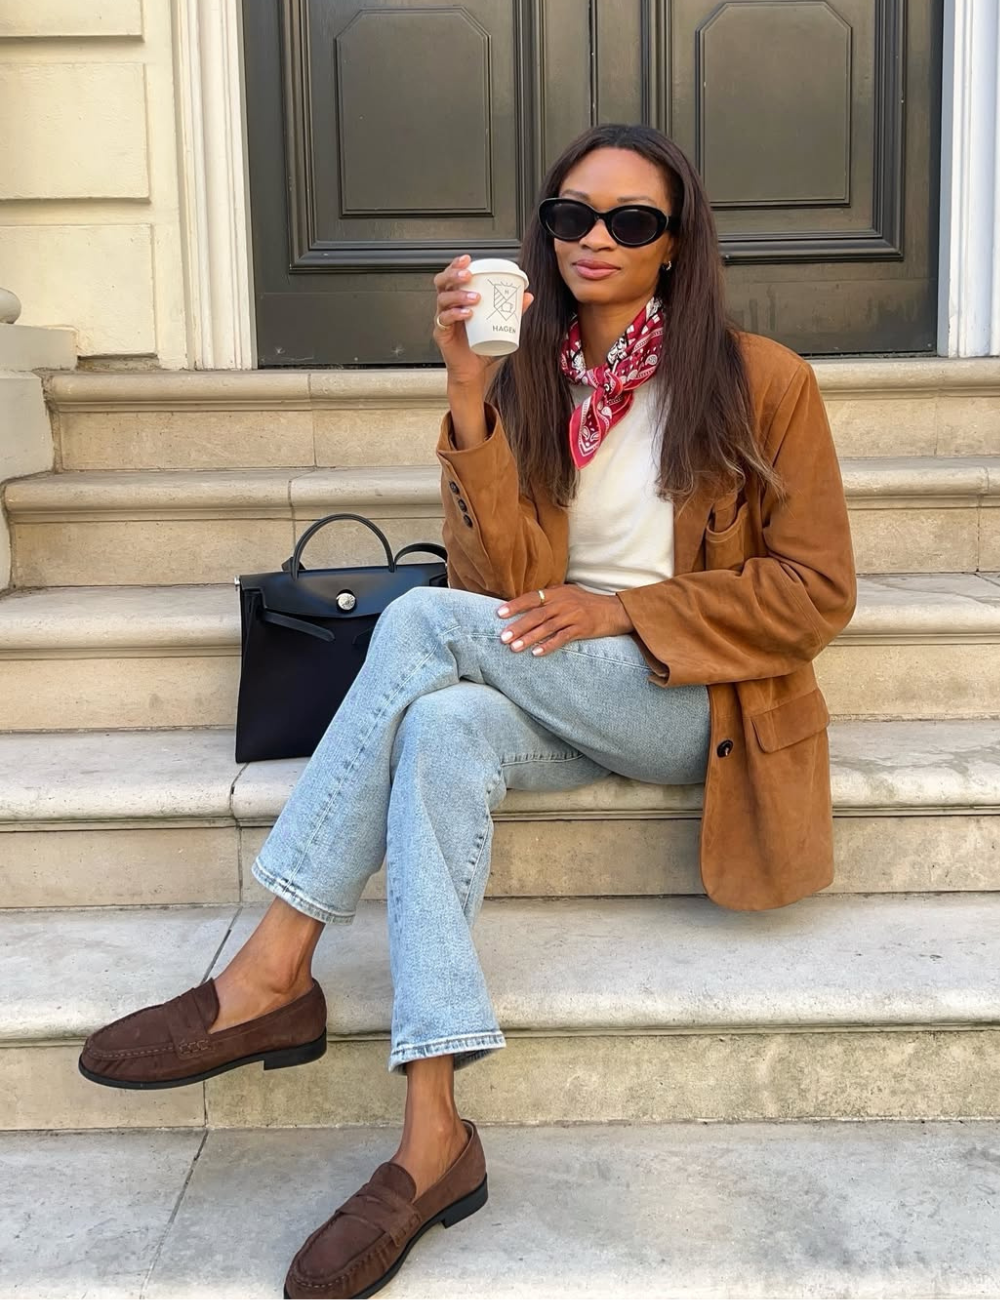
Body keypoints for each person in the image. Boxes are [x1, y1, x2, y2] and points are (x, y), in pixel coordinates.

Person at [77, 122, 856, 1299]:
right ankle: (433, 1135)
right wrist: (466, 387)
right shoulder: (530, 374)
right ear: (542, 235)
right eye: (568, 216)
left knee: (423, 622)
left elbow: (815, 592)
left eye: (628, 221)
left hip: (693, 699)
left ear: (677, 243)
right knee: (437, 724)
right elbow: (500, 589)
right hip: (546, 677)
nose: (593, 238)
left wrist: (622, 614)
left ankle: (274, 967)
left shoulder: (765, 381)